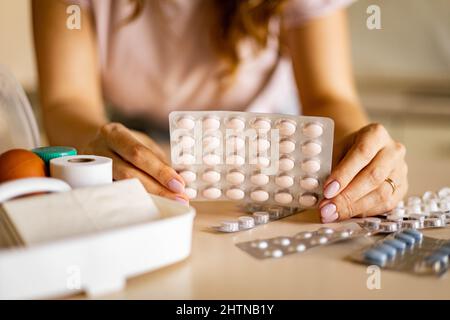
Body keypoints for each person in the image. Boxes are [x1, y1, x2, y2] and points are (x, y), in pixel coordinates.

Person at [32, 0, 408, 223]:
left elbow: (328, 96)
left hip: (274, 147)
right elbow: (66, 101)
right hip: (132, 141)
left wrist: (361, 157)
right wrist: (95, 146)